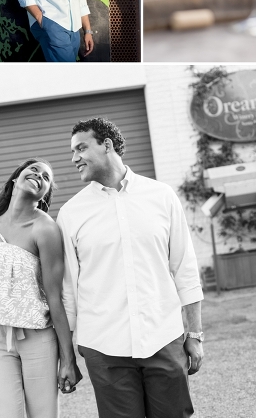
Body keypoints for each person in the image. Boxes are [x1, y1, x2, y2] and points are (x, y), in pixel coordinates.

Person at [57, 117, 204, 418]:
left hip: (163, 337)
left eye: (81, 148)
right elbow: (68, 292)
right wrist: (66, 357)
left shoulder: (161, 196)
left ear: (107, 145)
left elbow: (185, 269)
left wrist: (195, 334)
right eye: (73, 152)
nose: (74, 159)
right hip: (103, 346)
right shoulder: (70, 214)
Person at [0, 158, 81, 418]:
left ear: (45, 193)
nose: (39, 176)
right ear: (16, 178)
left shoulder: (46, 229)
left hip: (37, 337)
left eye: (46, 178)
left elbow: (55, 298)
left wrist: (68, 359)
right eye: (34, 170)